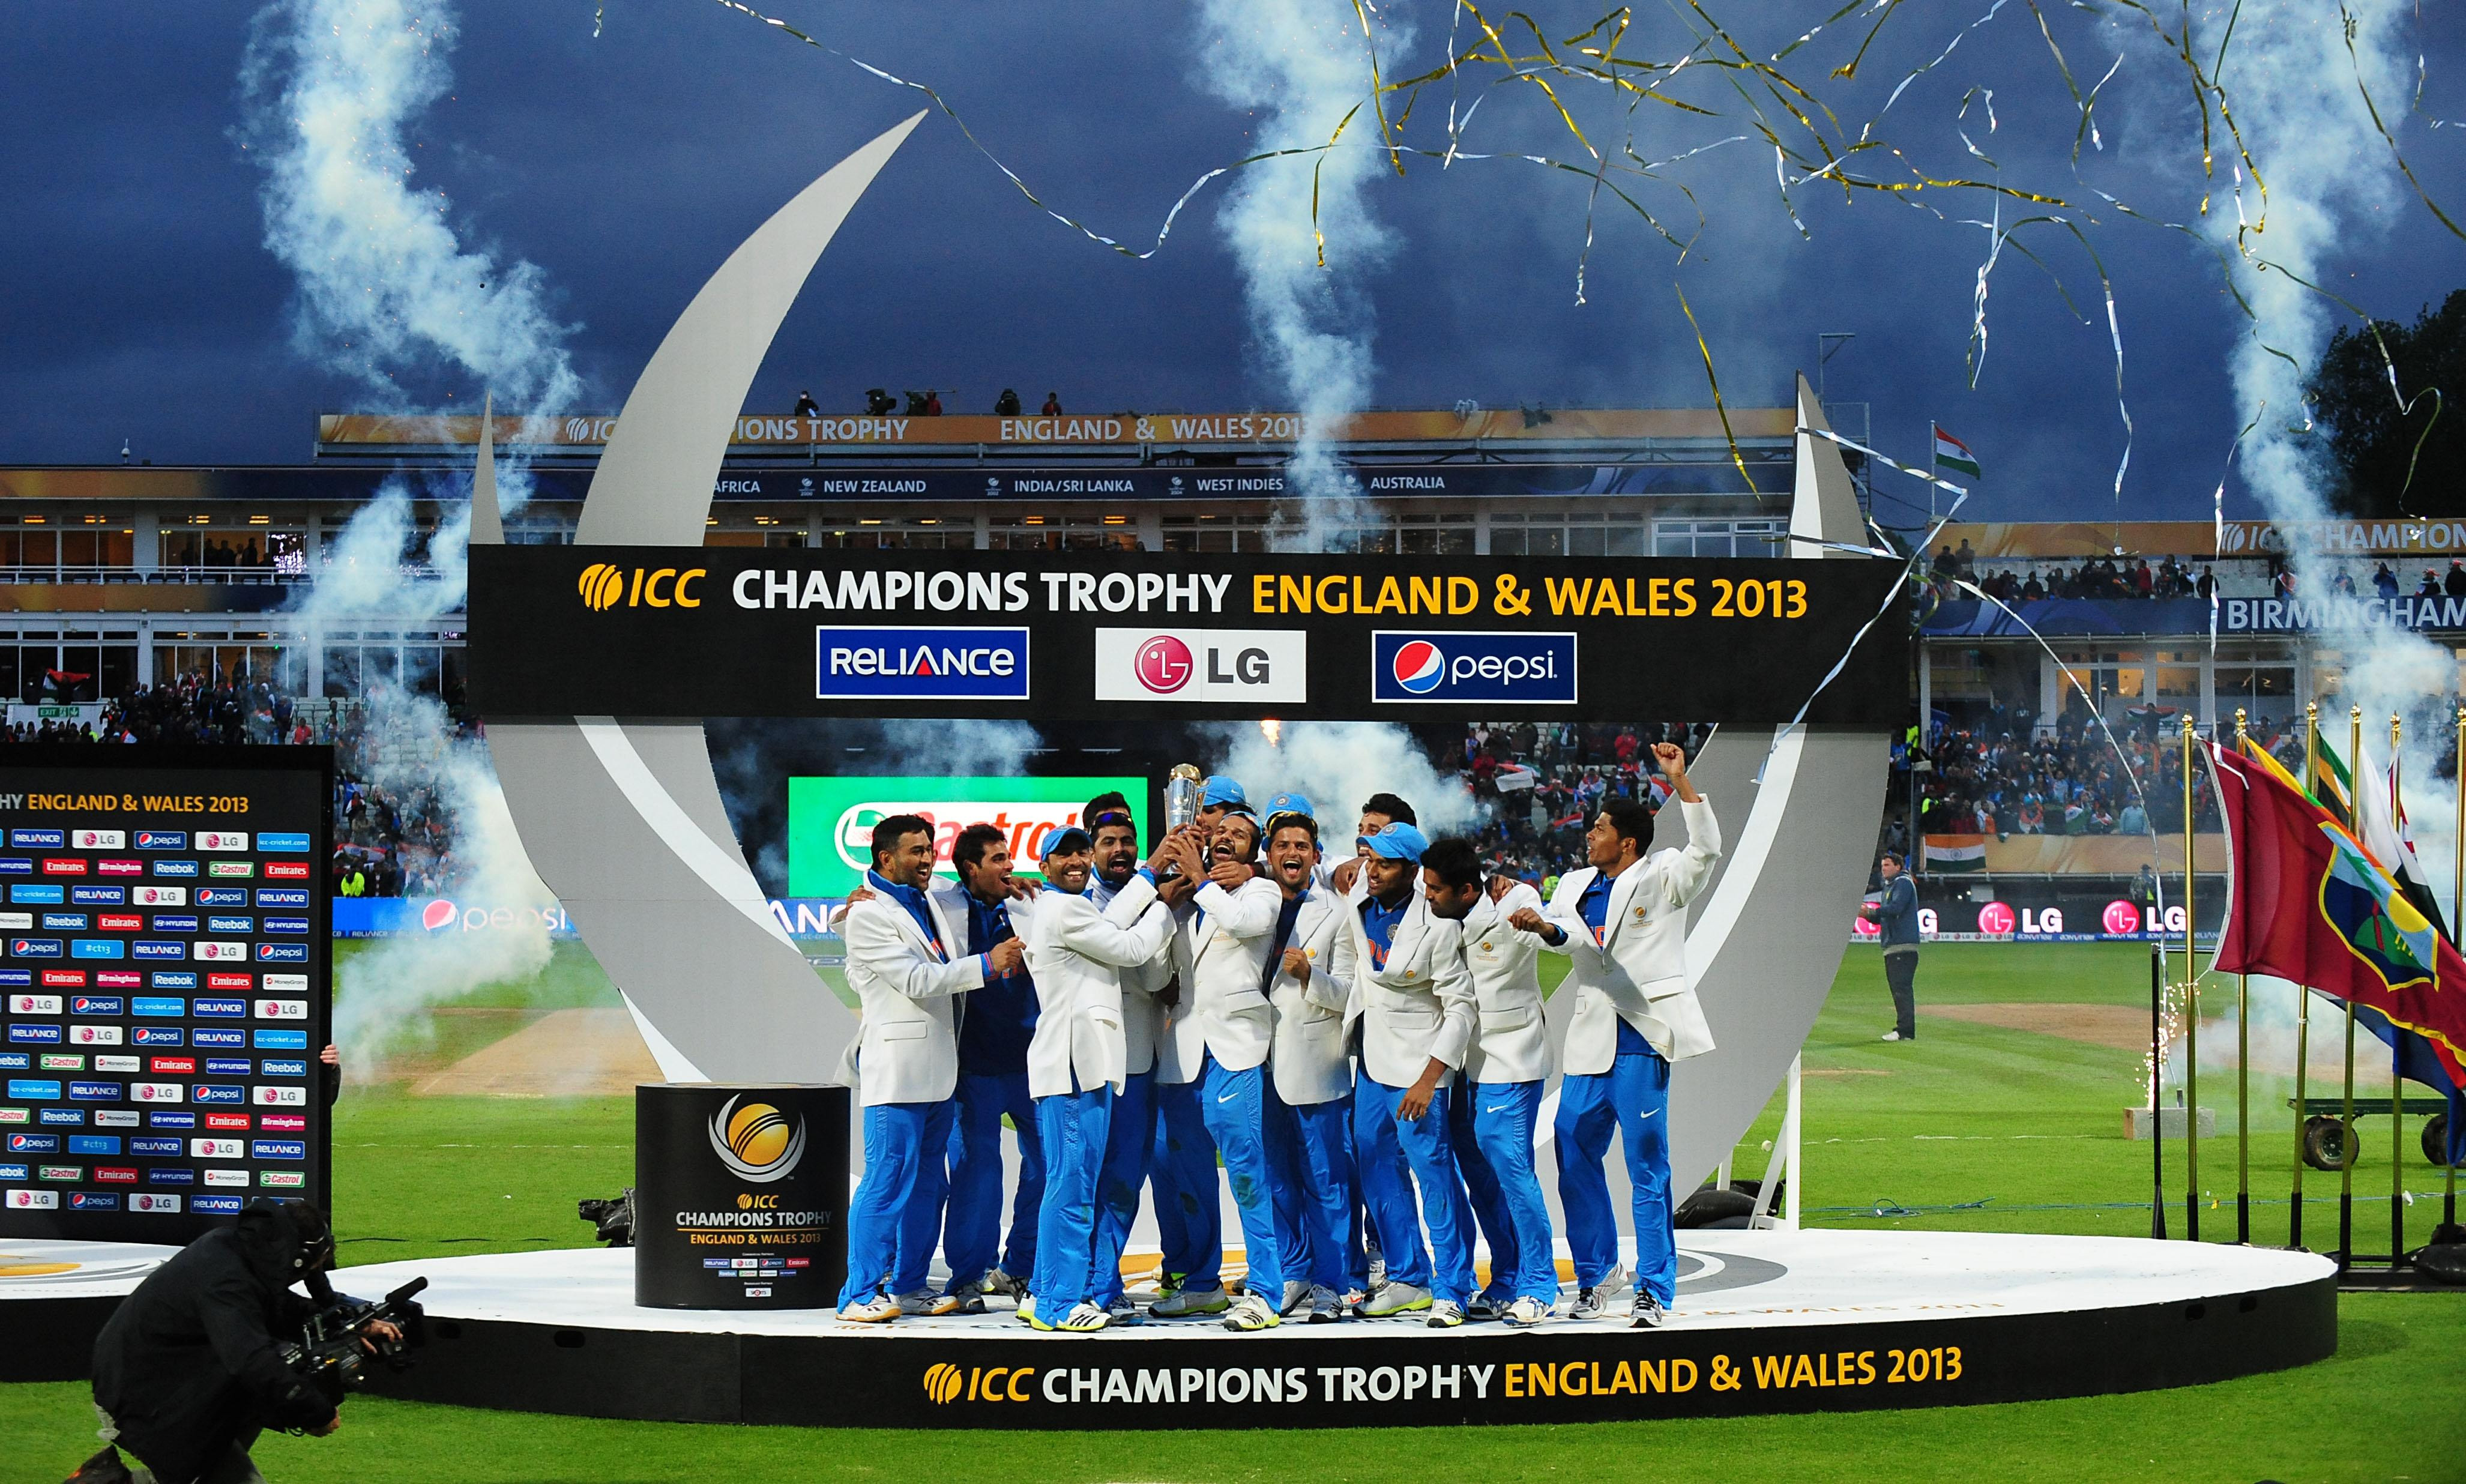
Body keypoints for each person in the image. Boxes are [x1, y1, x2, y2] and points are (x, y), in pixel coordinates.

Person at [1514, 743, 1720, 1328]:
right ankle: (1598, 1272)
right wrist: (1540, 928)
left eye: (1599, 828)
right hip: (1589, 1039)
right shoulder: (1575, 884)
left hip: (1643, 1035)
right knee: (1572, 1152)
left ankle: (1655, 1289)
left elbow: (1708, 849)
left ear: (1626, 840)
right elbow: (1563, 938)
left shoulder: (1663, 876)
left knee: (1646, 1165)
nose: (1589, 834)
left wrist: (1680, 784)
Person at [835, 815, 1022, 1323]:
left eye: (929, 849)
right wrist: (989, 964)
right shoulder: (869, 916)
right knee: (887, 1180)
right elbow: (917, 980)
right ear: (885, 858)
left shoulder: (926, 898)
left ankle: (911, 1286)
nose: (926, 859)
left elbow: (969, 885)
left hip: (940, 1072)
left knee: (928, 1185)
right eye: (915, 851)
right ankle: (857, 1293)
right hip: (896, 1072)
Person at [77, 1199, 396, 1484]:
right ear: (297, 1258)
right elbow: (252, 1360)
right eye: (313, 1266)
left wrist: (352, 1324)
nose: (312, 1274)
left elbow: (280, 1308)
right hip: (142, 1396)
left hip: (171, 1379)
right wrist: (315, 1411)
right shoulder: (227, 1282)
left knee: (212, 1460)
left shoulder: (242, 1251)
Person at [1016, 824, 1183, 1332]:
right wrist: (1160, 900)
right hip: (1074, 1067)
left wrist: (1148, 880)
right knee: (1073, 1189)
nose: (1075, 861)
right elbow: (1131, 949)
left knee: (1067, 1186)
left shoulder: (1068, 909)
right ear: (1043, 866)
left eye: (1080, 853)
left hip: (1076, 1064)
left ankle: (1045, 1293)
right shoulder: (1063, 907)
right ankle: (1059, 1305)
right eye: (1061, 855)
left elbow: (1109, 921)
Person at [1327, 821, 1479, 1326]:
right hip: (1371, 1063)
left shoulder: (1438, 924)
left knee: (1434, 1177)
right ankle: (1409, 1277)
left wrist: (1430, 1078)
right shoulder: (1357, 904)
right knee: (1374, 1165)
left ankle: (1455, 1286)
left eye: (1386, 864)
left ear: (1412, 871)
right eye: (1370, 860)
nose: (1373, 871)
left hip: (1418, 1072)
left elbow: (1461, 1008)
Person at [1421, 837, 1556, 1329]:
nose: (1428, 895)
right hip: (1467, 1063)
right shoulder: (1441, 911)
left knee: (1511, 1166)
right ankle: (1507, 1277)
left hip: (1513, 1056)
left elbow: (1542, 926)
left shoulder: (1511, 903)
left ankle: (1540, 1285)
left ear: (1468, 889)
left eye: (1437, 890)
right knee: (1481, 1175)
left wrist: (1538, 922)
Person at [1163, 808, 1288, 1332]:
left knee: (1246, 1172)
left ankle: (1266, 1290)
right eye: (1220, 833)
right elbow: (1160, 969)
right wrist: (1163, 903)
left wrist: (1196, 879)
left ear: (1253, 850)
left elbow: (1244, 925)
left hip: (1235, 1048)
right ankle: (1202, 1284)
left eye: (1239, 835)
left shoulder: (1262, 893)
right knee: (1187, 1175)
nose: (1224, 840)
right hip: (1183, 1052)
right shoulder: (1187, 902)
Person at [933, 824, 1045, 1312]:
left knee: (1048, 1168)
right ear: (969, 867)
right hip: (975, 1065)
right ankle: (968, 1277)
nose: (1008, 867)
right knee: (978, 1173)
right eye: (997, 859)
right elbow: (883, 900)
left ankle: (1020, 1265)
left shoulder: (1028, 902)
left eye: (1009, 858)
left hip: (1036, 1061)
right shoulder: (943, 906)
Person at [1259, 794, 1360, 1323]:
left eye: (1301, 845)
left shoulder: (1339, 913)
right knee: (1276, 1177)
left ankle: (1332, 1284)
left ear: (1317, 855)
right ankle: (1295, 1273)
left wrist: (1309, 977)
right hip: (1256, 1060)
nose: (1292, 852)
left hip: (1316, 1062)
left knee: (1326, 1181)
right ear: (1269, 854)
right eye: (1282, 845)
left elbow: (1351, 993)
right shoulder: (1252, 904)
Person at [1084, 794, 1182, 1324]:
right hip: (1088, 1061)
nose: (1118, 851)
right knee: (1080, 1178)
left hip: (1138, 1058)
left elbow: (1148, 977)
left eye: (1127, 842)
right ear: (1091, 849)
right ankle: (1075, 1281)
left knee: (1124, 1177)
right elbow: (1116, 949)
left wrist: (1155, 911)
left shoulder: (1146, 900)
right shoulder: (1080, 897)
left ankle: (1105, 1282)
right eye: (1108, 843)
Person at [1859, 852, 1920, 1042]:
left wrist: (1870, 911)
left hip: (1902, 946)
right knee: (1899, 989)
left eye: (1887, 865)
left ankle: (1905, 1031)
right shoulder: (1891, 886)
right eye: (1882, 865)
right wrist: (1867, 915)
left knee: (1901, 989)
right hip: (1894, 946)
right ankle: (1904, 1030)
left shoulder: (1903, 883)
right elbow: (1884, 917)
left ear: (1898, 867)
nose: (1883, 868)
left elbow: (1896, 909)